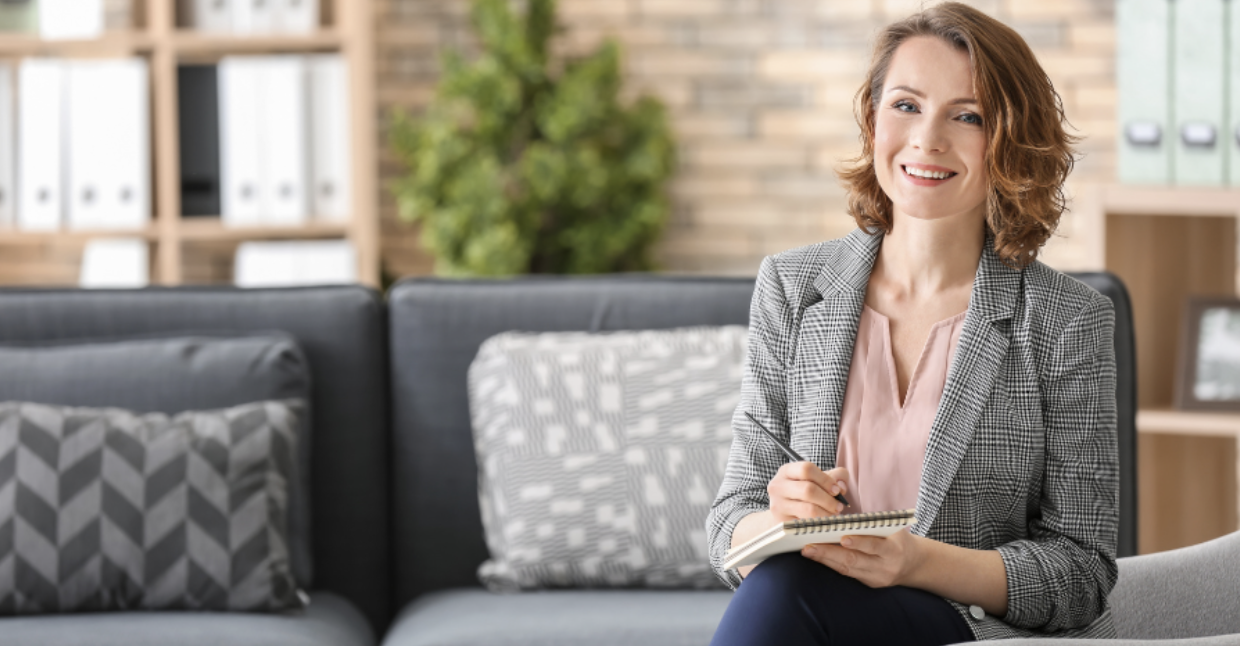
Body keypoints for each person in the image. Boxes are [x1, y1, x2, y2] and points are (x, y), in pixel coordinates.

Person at [705, 3, 1119, 644]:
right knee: (783, 585)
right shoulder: (792, 290)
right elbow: (728, 519)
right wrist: (775, 516)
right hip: (801, 607)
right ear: (873, 121)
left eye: (968, 116)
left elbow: (1082, 574)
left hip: (962, 629)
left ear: (1009, 139)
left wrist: (919, 562)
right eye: (906, 105)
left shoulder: (1068, 320)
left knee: (786, 596)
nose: (928, 138)